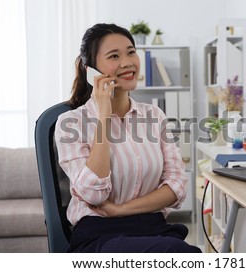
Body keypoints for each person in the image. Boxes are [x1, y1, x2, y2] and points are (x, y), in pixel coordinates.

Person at [54, 23, 201, 253]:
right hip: (99, 235)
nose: (127, 62)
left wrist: (121, 210)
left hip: (153, 228)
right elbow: (93, 193)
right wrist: (104, 116)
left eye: (131, 52)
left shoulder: (154, 116)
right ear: (91, 70)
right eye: (114, 56)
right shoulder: (70, 123)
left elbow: (177, 185)